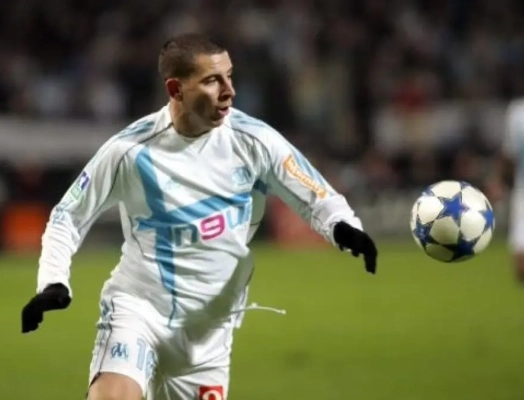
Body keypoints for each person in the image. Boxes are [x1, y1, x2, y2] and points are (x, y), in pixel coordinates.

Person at [20, 32, 378, 400]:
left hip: (208, 338)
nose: (229, 91)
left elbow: (315, 193)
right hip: (139, 311)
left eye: (229, 76)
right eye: (212, 80)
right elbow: (68, 215)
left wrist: (344, 227)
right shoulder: (129, 151)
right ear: (175, 89)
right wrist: (53, 281)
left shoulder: (253, 140)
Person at [486, 99, 524, 282]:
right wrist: (498, 182)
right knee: (521, 266)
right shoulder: (517, 112)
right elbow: (509, 153)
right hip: (523, 191)